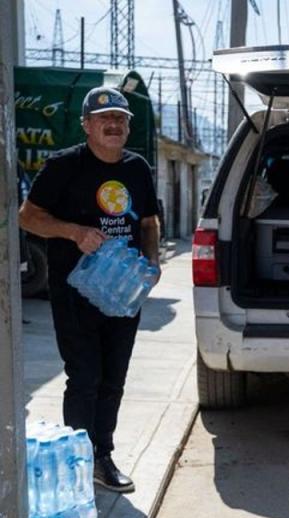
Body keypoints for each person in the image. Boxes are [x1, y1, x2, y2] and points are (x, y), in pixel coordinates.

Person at [19, 87, 162, 493]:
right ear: (87, 126)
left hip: (123, 291)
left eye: (120, 119)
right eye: (104, 119)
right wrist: (73, 231)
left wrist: (150, 265)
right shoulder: (63, 166)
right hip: (75, 292)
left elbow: (149, 222)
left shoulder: (138, 168)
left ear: (128, 126)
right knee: (84, 377)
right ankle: (79, 462)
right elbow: (28, 218)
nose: (113, 125)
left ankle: (102, 456)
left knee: (114, 378)